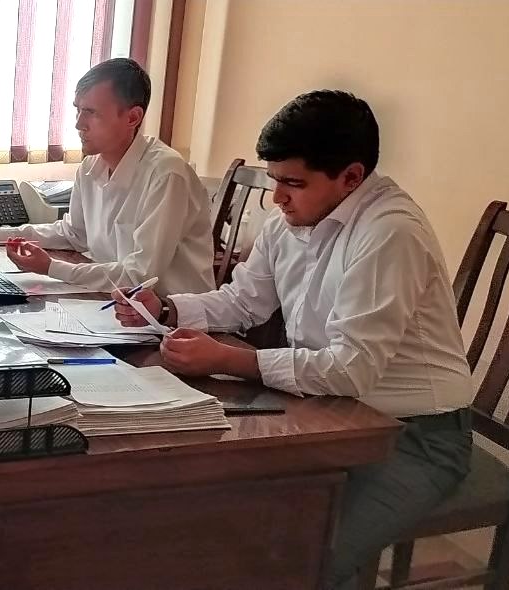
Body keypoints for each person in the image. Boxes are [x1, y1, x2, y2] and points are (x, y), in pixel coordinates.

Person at [113, 90, 473, 590]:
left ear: (351, 177)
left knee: (297, 558)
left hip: (415, 436)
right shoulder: (295, 217)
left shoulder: (389, 233)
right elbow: (244, 301)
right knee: (209, 512)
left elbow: (350, 369)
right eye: (274, 180)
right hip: (327, 414)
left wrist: (229, 360)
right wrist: (166, 308)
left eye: (293, 183)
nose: (277, 197)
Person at [0, 58, 214, 295]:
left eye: (91, 112)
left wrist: (52, 268)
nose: (78, 124)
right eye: (78, 110)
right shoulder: (89, 167)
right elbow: (74, 233)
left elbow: (139, 276)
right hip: (115, 302)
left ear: (133, 117)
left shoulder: (166, 174)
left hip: (171, 319)